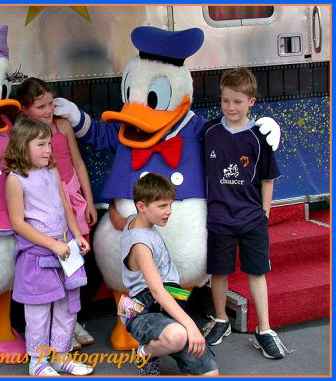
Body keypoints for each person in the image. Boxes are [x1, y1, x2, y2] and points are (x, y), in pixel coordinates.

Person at [202, 67, 288, 359]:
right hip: (219, 218)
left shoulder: (260, 137)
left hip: (251, 218)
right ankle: (220, 320)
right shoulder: (210, 132)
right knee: (218, 271)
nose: (230, 107)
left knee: (257, 272)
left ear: (251, 101)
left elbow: (268, 178)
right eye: (226, 100)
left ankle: (263, 329)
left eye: (237, 101)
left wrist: (263, 213)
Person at [3, 116, 94, 376]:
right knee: (39, 310)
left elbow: (65, 207)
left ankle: (62, 356)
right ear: (22, 146)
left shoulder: (52, 171)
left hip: (65, 252)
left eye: (49, 144)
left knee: (67, 306)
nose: (48, 150)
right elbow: (18, 223)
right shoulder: (15, 180)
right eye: (41, 145)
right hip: (37, 257)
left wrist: (77, 235)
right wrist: (54, 245)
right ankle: (38, 362)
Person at [121, 173, 219, 376]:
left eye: (170, 205)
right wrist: (191, 326)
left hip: (169, 304)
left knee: (210, 374)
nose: (169, 212)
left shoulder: (134, 219)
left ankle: (176, 338)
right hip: (145, 311)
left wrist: (111, 207)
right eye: (162, 206)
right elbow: (157, 292)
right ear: (141, 206)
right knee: (178, 335)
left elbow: (117, 219)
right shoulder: (140, 244)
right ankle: (145, 353)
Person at [15, 77, 97, 241]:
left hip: (73, 196)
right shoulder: (21, 135)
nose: (49, 110)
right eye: (41, 107)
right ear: (24, 110)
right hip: (45, 202)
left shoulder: (63, 125)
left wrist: (89, 202)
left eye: (51, 103)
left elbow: (78, 163)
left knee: (79, 244)